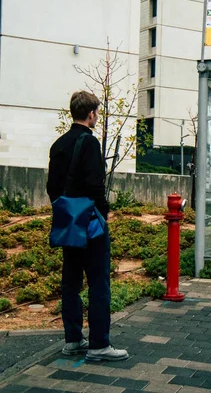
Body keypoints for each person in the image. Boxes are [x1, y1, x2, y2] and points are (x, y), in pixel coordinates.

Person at [47, 91, 129, 362]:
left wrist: (66, 211)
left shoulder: (58, 144)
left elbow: (52, 187)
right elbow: (96, 186)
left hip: (68, 222)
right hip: (91, 224)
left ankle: (73, 340)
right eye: (97, 112)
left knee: (70, 283)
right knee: (98, 283)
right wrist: (102, 214)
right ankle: (98, 344)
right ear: (91, 113)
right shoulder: (90, 143)